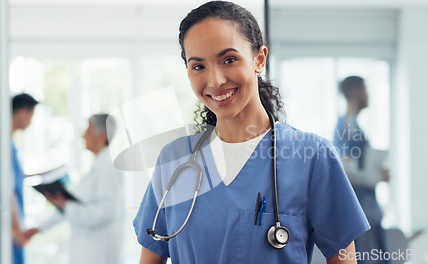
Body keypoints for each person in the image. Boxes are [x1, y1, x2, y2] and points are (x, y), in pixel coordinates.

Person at [133, 2, 370, 264]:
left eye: (229, 60)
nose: (215, 81)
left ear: (259, 59)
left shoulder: (312, 157)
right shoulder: (175, 160)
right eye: (198, 66)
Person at [24, 114, 125, 264]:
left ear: (102, 137)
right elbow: (72, 207)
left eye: (88, 131)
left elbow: (105, 213)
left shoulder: (108, 170)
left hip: (99, 252)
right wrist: (37, 229)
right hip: (87, 251)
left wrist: (66, 205)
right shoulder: (96, 168)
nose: (83, 136)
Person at [333, 76, 389, 264]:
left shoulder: (351, 125)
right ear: (354, 93)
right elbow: (346, 170)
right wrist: (375, 177)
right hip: (362, 206)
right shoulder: (348, 126)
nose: (368, 95)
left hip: (365, 206)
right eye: (365, 90)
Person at [0, 93, 39, 264]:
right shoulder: (1, 142)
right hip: (2, 223)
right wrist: (17, 228)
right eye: (31, 115)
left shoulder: (7, 142)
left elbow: (13, 178)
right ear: (21, 113)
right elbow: (4, 187)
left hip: (7, 222)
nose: (30, 121)